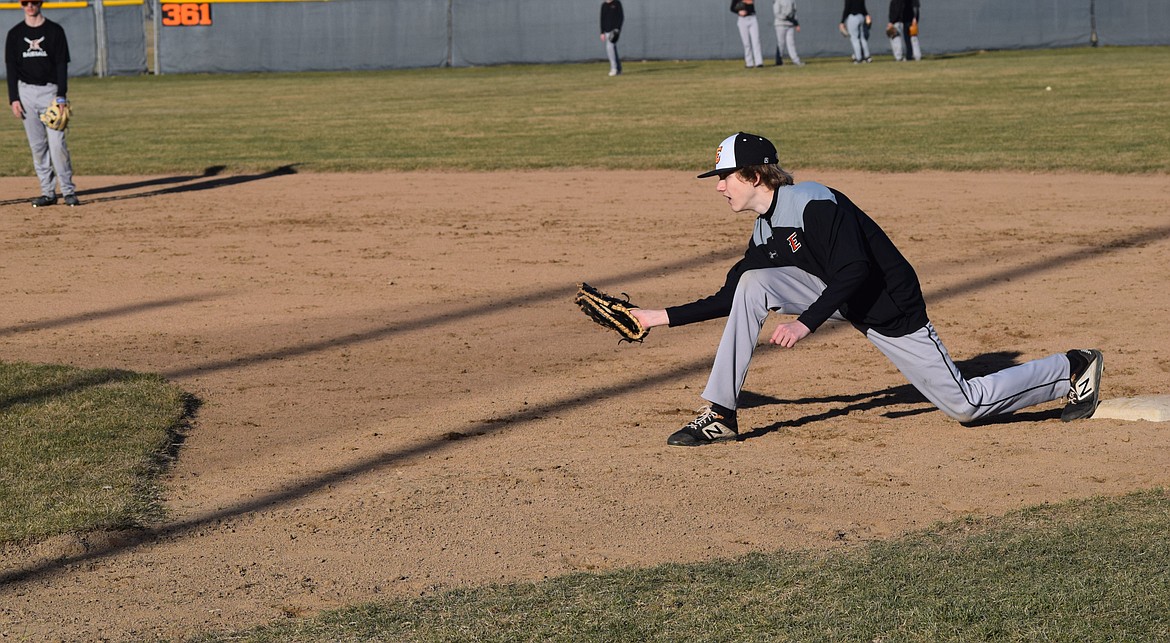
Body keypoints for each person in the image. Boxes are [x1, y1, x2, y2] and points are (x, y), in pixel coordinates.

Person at [630, 132, 1104, 447]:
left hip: (886, 304)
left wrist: (804, 322)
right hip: (839, 301)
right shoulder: (763, 230)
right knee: (752, 282)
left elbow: (855, 269)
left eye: (724, 177)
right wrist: (654, 317)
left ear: (754, 175)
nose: (718, 187)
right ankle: (720, 413)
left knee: (966, 406)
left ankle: (1072, 367)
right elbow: (731, 296)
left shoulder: (815, 203)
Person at [5, 0, 78, 207]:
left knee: (58, 145)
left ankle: (68, 190)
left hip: (51, 93)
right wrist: (14, 98)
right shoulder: (15, 34)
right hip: (26, 93)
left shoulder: (55, 31)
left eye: (34, 1)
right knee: (38, 147)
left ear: (41, 3)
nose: (30, 5)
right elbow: (11, 68)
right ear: (20, 5)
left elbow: (61, 64)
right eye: (25, 2)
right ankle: (48, 192)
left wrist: (61, 95)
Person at [731, 0, 763, 69]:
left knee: (756, 41)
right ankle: (749, 63)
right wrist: (739, 12)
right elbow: (732, 8)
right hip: (742, 20)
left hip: (752, 18)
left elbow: (751, 3)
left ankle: (759, 62)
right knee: (746, 43)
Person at [772, 0, 803, 67]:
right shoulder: (777, 1)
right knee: (781, 43)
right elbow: (776, 13)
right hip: (780, 24)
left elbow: (794, 12)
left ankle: (796, 61)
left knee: (791, 43)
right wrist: (786, 17)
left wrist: (796, 24)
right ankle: (779, 61)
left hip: (790, 25)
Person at [599, 0, 624, 77]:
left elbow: (621, 17)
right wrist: (602, 32)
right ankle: (619, 69)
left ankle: (613, 69)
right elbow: (602, 19)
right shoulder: (603, 5)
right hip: (606, 31)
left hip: (614, 31)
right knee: (613, 49)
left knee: (609, 47)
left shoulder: (617, 3)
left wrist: (617, 29)